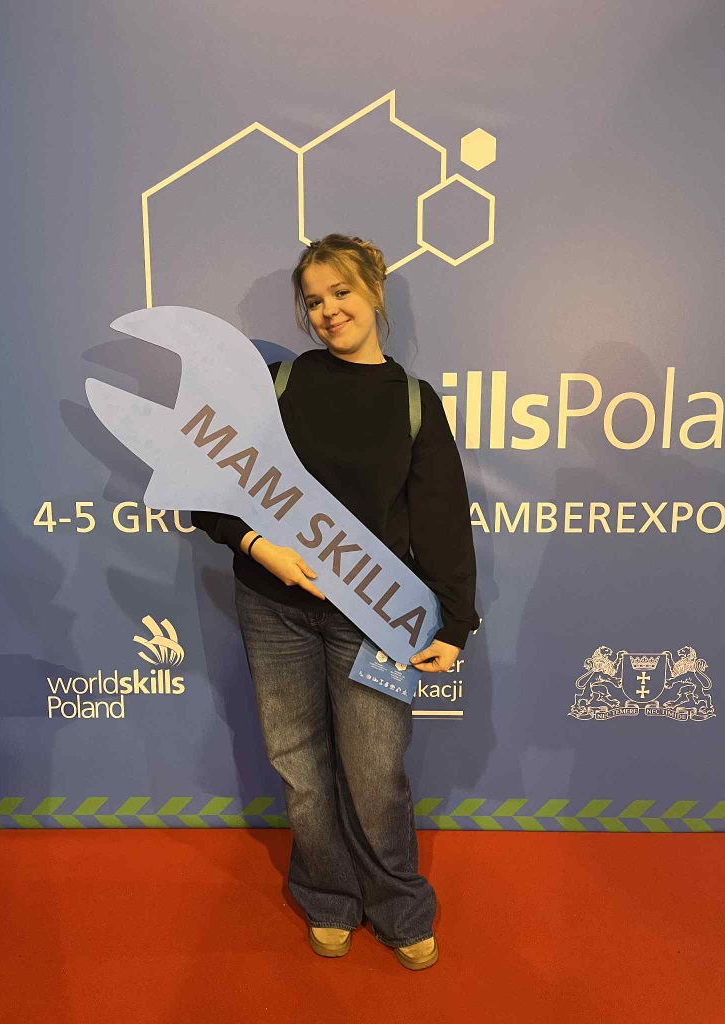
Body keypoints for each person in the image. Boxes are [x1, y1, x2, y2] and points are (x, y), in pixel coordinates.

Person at [191, 233, 480, 971]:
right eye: (313, 300)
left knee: (376, 773)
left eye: (341, 292)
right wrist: (259, 547)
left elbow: (442, 521)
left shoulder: (413, 403)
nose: (328, 311)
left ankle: (399, 906)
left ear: (375, 291)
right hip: (271, 607)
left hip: (375, 618)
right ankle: (327, 897)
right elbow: (209, 489)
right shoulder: (279, 386)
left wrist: (456, 622)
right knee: (299, 766)